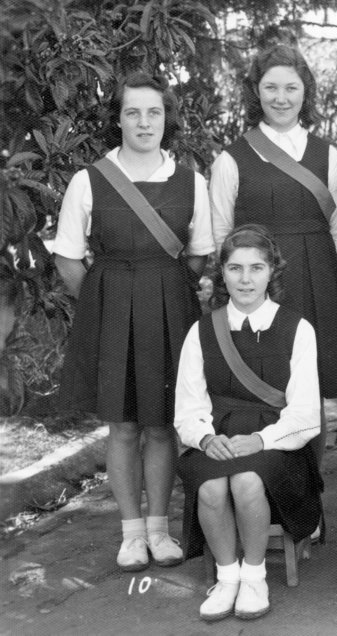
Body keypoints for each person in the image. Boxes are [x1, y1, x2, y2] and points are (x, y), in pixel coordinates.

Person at [53, 72, 213, 572]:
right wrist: (106, 301)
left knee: (162, 425)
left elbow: (200, 256)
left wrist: (162, 289)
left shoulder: (191, 180)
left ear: (167, 119)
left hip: (170, 303)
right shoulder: (89, 179)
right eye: (132, 112)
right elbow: (68, 260)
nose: (144, 122)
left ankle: (160, 530)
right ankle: (130, 534)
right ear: (118, 119)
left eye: (154, 112)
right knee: (122, 427)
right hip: (111, 305)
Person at [174, 225, 323, 621]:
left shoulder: (297, 328)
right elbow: (188, 407)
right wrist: (205, 439)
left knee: (245, 480)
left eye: (256, 268)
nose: (245, 279)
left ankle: (255, 576)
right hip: (217, 435)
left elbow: (306, 415)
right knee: (209, 485)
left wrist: (261, 439)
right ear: (221, 272)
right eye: (235, 268)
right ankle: (227, 577)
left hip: (278, 443)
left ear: (272, 272)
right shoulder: (202, 330)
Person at [209, 43, 337, 404]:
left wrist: (323, 272)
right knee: (267, 379)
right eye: (271, 87)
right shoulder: (231, 159)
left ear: (306, 92)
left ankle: (314, 459)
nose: (281, 98)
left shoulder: (328, 155)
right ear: (256, 91)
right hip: (258, 284)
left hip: (320, 278)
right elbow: (221, 232)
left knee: (319, 382)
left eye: (291, 88)